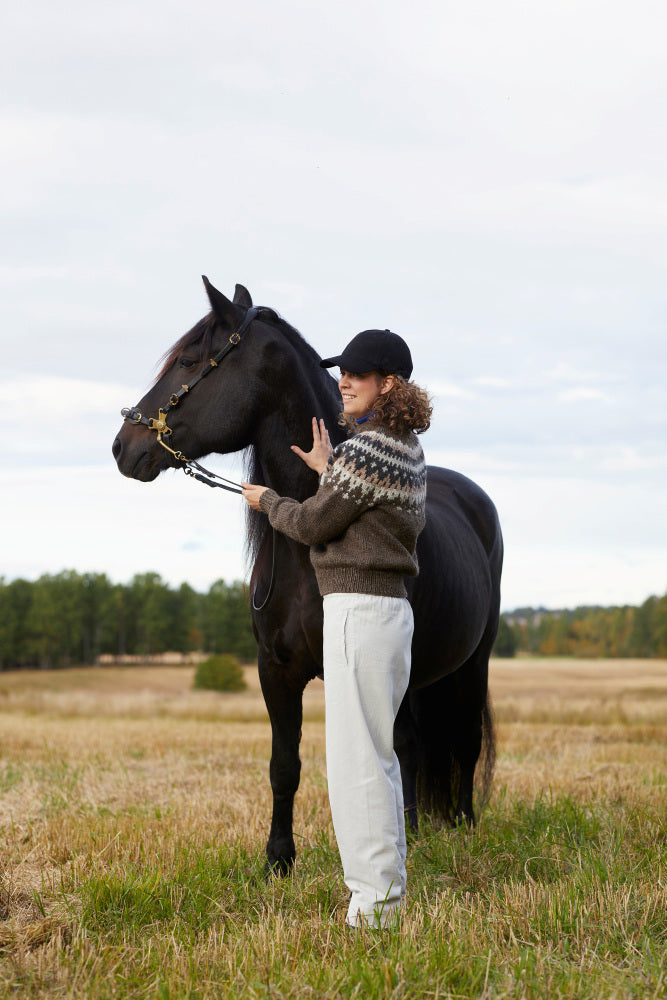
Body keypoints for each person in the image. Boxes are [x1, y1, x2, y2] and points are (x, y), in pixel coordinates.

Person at [242, 328, 431, 929]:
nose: (341, 381)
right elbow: (359, 515)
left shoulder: (367, 451)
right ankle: (385, 890)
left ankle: (373, 910)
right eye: (340, 372)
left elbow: (315, 524)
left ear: (388, 384)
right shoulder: (400, 447)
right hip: (388, 613)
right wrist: (331, 469)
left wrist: (267, 501)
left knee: (356, 765)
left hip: (358, 613)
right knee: (378, 757)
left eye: (357, 373)